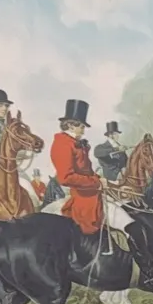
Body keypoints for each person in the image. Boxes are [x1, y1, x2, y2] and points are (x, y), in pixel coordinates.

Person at [49, 100, 105, 237]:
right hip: (80, 194)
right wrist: (96, 182)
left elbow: (87, 171)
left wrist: (101, 180)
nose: (84, 130)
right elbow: (66, 178)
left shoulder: (77, 143)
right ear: (70, 126)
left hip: (90, 190)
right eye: (81, 126)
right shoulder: (63, 144)